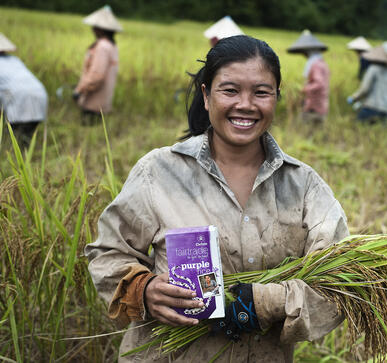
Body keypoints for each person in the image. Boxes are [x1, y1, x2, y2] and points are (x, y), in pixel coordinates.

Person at [85, 35, 348, 362]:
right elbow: (108, 253)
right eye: (230, 90)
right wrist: (143, 290)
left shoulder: (304, 185)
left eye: (261, 92)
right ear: (207, 96)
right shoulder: (159, 171)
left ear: (277, 98)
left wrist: (265, 303)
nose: (246, 104)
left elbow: (340, 283)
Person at [73, 5, 121, 126]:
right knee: (96, 128)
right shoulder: (111, 45)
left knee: (88, 128)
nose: (93, 29)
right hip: (103, 99)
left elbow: (97, 75)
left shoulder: (102, 47)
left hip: (94, 100)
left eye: (95, 27)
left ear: (101, 29)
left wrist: (80, 90)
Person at [0, 33, 48, 149]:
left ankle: (18, 158)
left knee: (14, 139)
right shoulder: (14, 59)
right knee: (26, 137)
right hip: (40, 95)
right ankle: (26, 157)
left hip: (18, 99)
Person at [287, 30, 330, 124]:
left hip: (314, 105)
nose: (304, 55)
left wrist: (305, 89)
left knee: (304, 127)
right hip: (321, 103)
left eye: (304, 52)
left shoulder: (316, 65)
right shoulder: (322, 63)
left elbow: (319, 83)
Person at [347, 46, 387, 123]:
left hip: (372, 107)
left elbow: (364, 89)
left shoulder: (373, 69)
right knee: (379, 132)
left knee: (357, 127)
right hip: (386, 108)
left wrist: (353, 98)